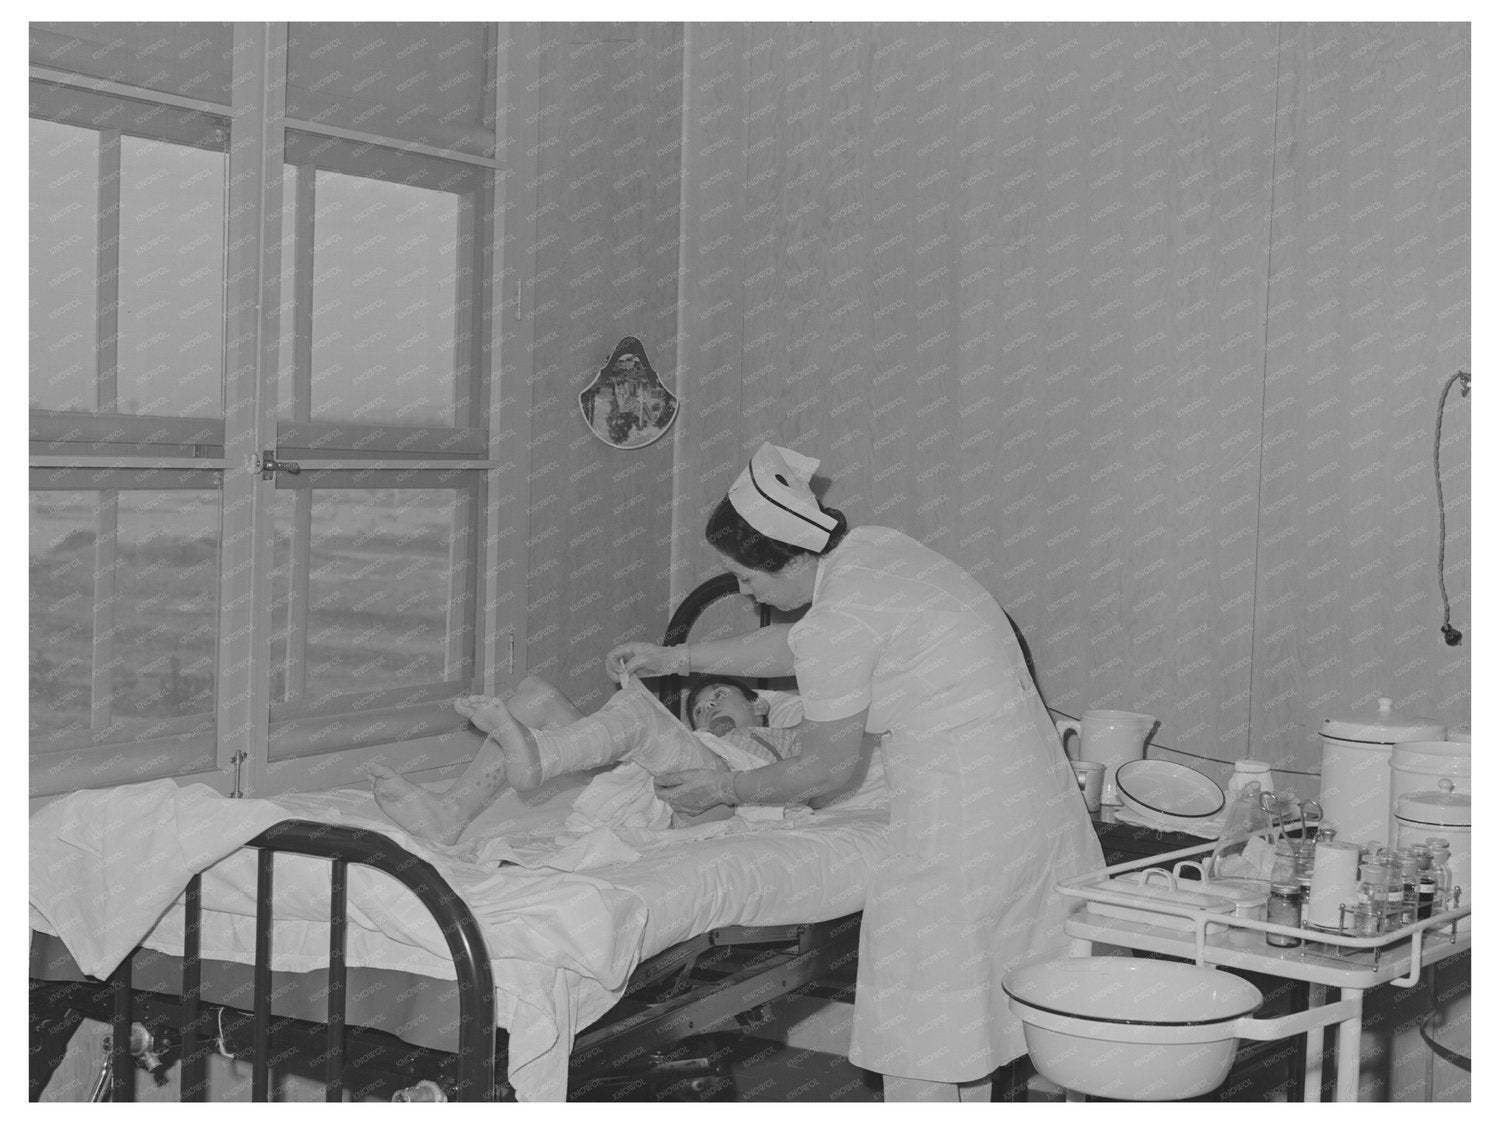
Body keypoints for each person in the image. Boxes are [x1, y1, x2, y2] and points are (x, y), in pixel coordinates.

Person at [605, 442, 1104, 1103]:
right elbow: (797, 640)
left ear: (790, 558)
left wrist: (726, 787)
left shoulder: (841, 616)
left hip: (961, 838)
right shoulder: (874, 550)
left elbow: (824, 769)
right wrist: (678, 658)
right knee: (970, 1028)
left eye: (748, 577)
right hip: (1036, 813)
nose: (745, 589)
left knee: (921, 1039)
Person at [367, 671, 826, 844]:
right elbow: (671, 751)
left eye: (720, 696)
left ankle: (537, 758)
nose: (709, 709)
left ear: (760, 704)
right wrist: (689, 736)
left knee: (639, 709)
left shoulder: (784, 735)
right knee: (536, 693)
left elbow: (829, 758)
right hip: (661, 783)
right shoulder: (690, 739)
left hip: (723, 797)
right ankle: (449, 814)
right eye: (701, 710)